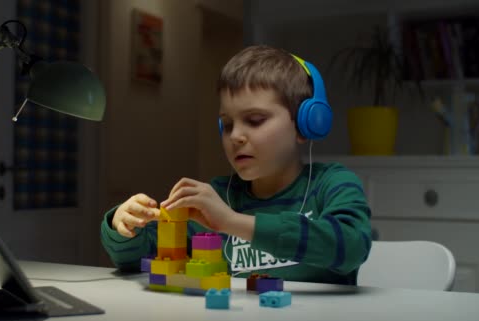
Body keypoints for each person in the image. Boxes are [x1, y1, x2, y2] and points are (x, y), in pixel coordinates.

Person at [100, 45, 371, 285]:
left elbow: (352, 246)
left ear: (305, 124)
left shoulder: (333, 183)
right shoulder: (217, 196)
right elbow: (136, 260)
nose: (235, 136)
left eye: (254, 120)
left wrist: (231, 222)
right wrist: (123, 226)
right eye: (227, 124)